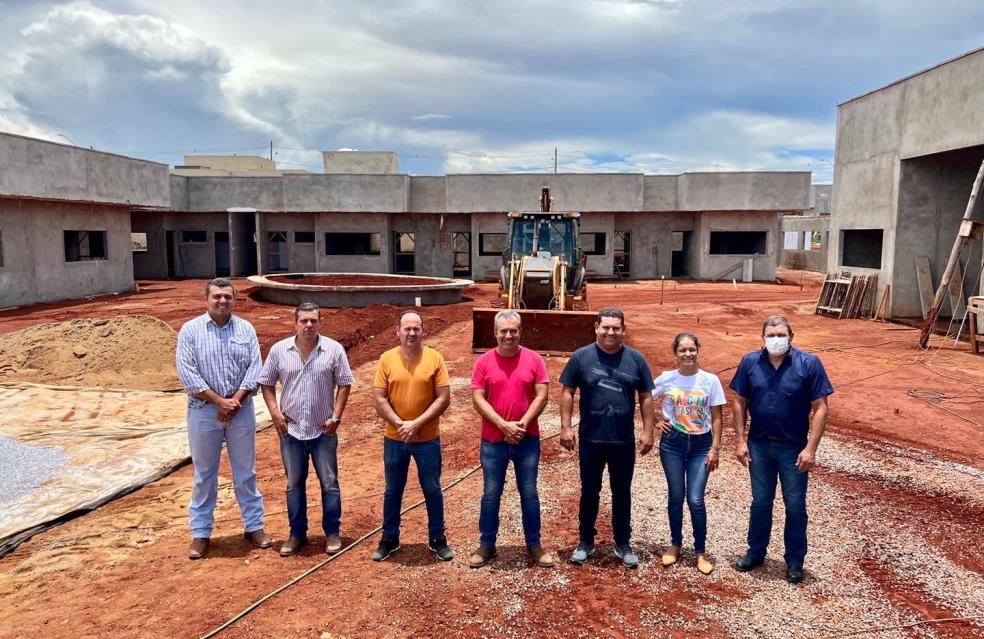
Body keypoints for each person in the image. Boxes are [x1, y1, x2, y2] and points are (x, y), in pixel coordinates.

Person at [730, 316, 833, 584]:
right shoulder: (750, 362)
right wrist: (740, 440)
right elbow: (739, 401)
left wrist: (811, 448)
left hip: (793, 448)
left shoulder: (809, 364)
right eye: (771, 335)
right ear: (762, 337)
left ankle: (795, 561)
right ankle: (755, 552)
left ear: (791, 337)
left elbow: (821, 407)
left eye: (781, 334)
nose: (776, 339)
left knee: (795, 505)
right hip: (759, 446)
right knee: (761, 502)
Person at [176, 278, 271, 559]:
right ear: (206, 299)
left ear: (234, 300)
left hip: (240, 411)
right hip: (204, 411)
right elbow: (187, 373)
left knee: (245, 472)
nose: (222, 301)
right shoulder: (191, 331)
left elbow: (255, 368)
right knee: (205, 474)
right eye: (217, 296)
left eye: (227, 297)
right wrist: (219, 401)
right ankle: (201, 533)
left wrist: (234, 401)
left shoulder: (245, 329)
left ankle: (254, 527)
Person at [559, 307, 656, 569]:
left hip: (622, 442)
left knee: (622, 493)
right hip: (591, 440)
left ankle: (623, 543)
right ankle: (585, 542)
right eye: (606, 327)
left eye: (616, 328)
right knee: (590, 492)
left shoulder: (636, 359)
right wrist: (565, 427)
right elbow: (567, 392)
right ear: (596, 328)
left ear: (623, 330)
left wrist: (648, 431)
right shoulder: (581, 357)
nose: (610, 332)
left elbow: (646, 396)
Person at [259, 302, 353, 557]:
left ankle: (332, 533)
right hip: (291, 431)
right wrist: (275, 413)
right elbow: (266, 382)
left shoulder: (333, 350)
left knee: (329, 483)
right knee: (294, 485)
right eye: (304, 321)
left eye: (313, 320)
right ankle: (297, 533)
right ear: (295, 323)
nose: (309, 325)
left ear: (320, 322)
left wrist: (336, 417)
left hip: (324, 431)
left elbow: (345, 384)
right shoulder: (279, 350)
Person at [469, 310, 554, 569]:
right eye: (503, 331)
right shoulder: (483, 362)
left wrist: (522, 424)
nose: (508, 335)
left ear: (520, 332)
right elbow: (478, 398)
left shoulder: (534, 360)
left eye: (513, 331)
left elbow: (542, 395)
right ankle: (486, 544)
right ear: (495, 333)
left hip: (527, 441)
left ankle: (534, 544)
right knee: (490, 494)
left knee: (529, 493)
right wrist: (503, 425)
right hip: (493, 441)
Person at [371, 310, 453, 562]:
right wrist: (400, 424)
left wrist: (416, 424)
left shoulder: (435, 359)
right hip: (395, 438)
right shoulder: (386, 359)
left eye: (416, 328)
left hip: (427, 439)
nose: (412, 333)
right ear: (398, 331)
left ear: (423, 331)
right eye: (407, 328)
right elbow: (379, 397)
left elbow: (443, 398)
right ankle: (389, 538)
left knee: (432, 489)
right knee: (392, 491)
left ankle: (437, 538)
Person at [651, 332, 725, 575]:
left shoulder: (710, 380)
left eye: (691, 349)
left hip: (701, 445)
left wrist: (715, 448)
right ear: (675, 353)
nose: (688, 354)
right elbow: (644, 397)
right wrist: (655, 420)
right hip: (672, 443)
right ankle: (675, 544)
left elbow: (717, 417)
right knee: (676, 495)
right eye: (682, 350)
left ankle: (700, 551)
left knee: (695, 499)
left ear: (697, 350)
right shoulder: (667, 378)